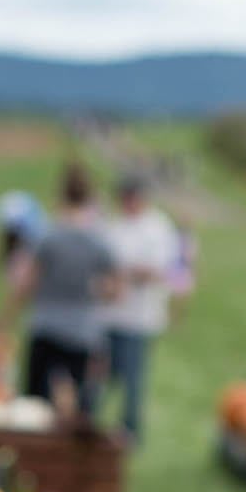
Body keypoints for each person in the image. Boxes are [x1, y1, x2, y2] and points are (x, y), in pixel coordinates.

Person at [5, 163, 118, 419]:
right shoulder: (98, 239)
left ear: (60, 194)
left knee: (34, 407)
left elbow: (25, 284)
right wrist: (90, 289)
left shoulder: (47, 236)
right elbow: (114, 289)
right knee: (80, 408)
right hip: (84, 330)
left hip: (46, 327)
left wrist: (4, 321)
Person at [99, 171, 181, 445]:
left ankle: (130, 430)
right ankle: (94, 425)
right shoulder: (115, 226)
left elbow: (160, 270)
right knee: (102, 376)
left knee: (133, 379)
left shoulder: (158, 228)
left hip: (140, 317)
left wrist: (125, 274)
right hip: (110, 315)